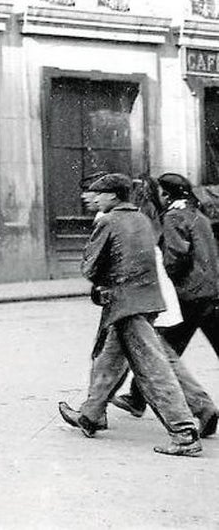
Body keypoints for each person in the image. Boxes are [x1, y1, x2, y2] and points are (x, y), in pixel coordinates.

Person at [57, 173, 202, 457]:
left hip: (126, 304)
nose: (95, 198)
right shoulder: (142, 219)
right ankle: (91, 415)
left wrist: (100, 281)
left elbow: (89, 266)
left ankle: (184, 433)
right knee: (108, 360)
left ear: (113, 195)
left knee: (152, 369)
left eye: (99, 194)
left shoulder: (109, 221)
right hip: (145, 301)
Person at [112, 173, 219, 437]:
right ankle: (137, 399)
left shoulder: (173, 217)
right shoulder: (198, 214)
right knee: (166, 348)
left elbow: (176, 255)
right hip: (210, 293)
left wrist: (163, 279)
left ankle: (146, 401)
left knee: (161, 350)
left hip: (189, 296)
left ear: (167, 193)